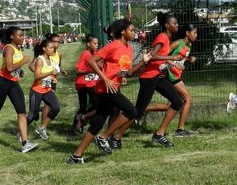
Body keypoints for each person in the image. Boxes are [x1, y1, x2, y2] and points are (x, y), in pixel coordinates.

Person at [68, 19, 151, 164]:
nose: (134, 32)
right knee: (132, 111)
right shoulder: (113, 46)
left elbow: (129, 72)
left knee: (97, 123)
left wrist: (143, 61)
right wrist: (106, 79)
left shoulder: (128, 48)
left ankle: (76, 156)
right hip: (105, 88)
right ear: (123, 31)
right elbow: (91, 61)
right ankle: (103, 137)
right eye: (131, 30)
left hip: (113, 87)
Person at [110, 12, 184, 148]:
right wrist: (172, 58)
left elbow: (157, 57)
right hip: (149, 77)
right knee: (137, 111)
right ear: (167, 25)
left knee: (177, 101)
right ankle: (116, 137)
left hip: (159, 76)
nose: (177, 25)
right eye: (175, 23)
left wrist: (169, 62)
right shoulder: (162, 37)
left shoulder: (167, 39)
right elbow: (152, 56)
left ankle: (159, 134)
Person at [145, 24, 197, 137]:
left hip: (176, 75)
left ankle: (142, 110)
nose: (196, 35)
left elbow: (180, 61)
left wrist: (188, 60)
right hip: (170, 75)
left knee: (171, 105)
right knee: (188, 99)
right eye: (194, 33)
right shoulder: (178, 43)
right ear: (187, 33)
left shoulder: (189, 45)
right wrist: (171, 62)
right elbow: (163, 54)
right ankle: (180, 129)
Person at [26, 39, 60, 140]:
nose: (53, 49)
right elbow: (36, 76)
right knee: (32, 115)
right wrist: (49, 73)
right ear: (44, 48)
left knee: (56, 108)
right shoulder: (40, 59)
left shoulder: (51, 60)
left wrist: (53, 77)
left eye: (53, 48)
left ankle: (42, 128)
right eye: (50, 48)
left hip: (47, 90)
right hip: (37, 90)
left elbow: (52, 73)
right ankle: (21, 132)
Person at [70, 35, 99, 134]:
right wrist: (90, 70)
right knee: (86, 106)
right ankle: (76, 126)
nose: (96, 45)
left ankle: (80, 122)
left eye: (97, 43)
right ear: (88, 44)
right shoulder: (85, 54)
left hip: (91, 83)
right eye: (94, 44)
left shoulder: (95, 53)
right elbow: (78, 71)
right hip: (83, 84)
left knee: (95, 104)